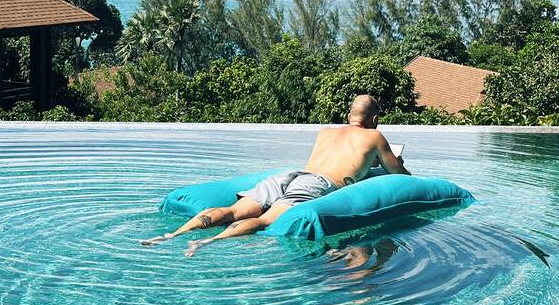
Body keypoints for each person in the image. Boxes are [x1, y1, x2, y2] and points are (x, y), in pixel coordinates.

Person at [139, 95, 409, 257]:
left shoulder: (326, 132)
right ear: (374, 119)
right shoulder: (374, 136)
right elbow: (398, 174)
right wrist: (396, 162)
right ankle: (206, 242)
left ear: (349, 115)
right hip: (316, 184)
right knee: (264, 220)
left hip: (292, 175)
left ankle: (172, 235)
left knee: (234, 211)